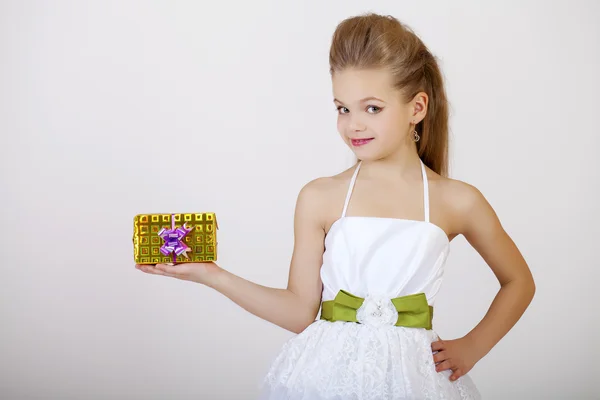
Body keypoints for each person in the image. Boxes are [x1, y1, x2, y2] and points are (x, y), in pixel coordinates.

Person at [136, 12, 536, 400]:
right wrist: (211, 274)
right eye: (342, 108)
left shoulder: (458, 199)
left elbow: (519, 281)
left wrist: (474, 346)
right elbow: (298, 312)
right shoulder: (319, 197)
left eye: (372, 108)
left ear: (417, 108)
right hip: (324, 376)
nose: (353, 124)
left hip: (416, 379)